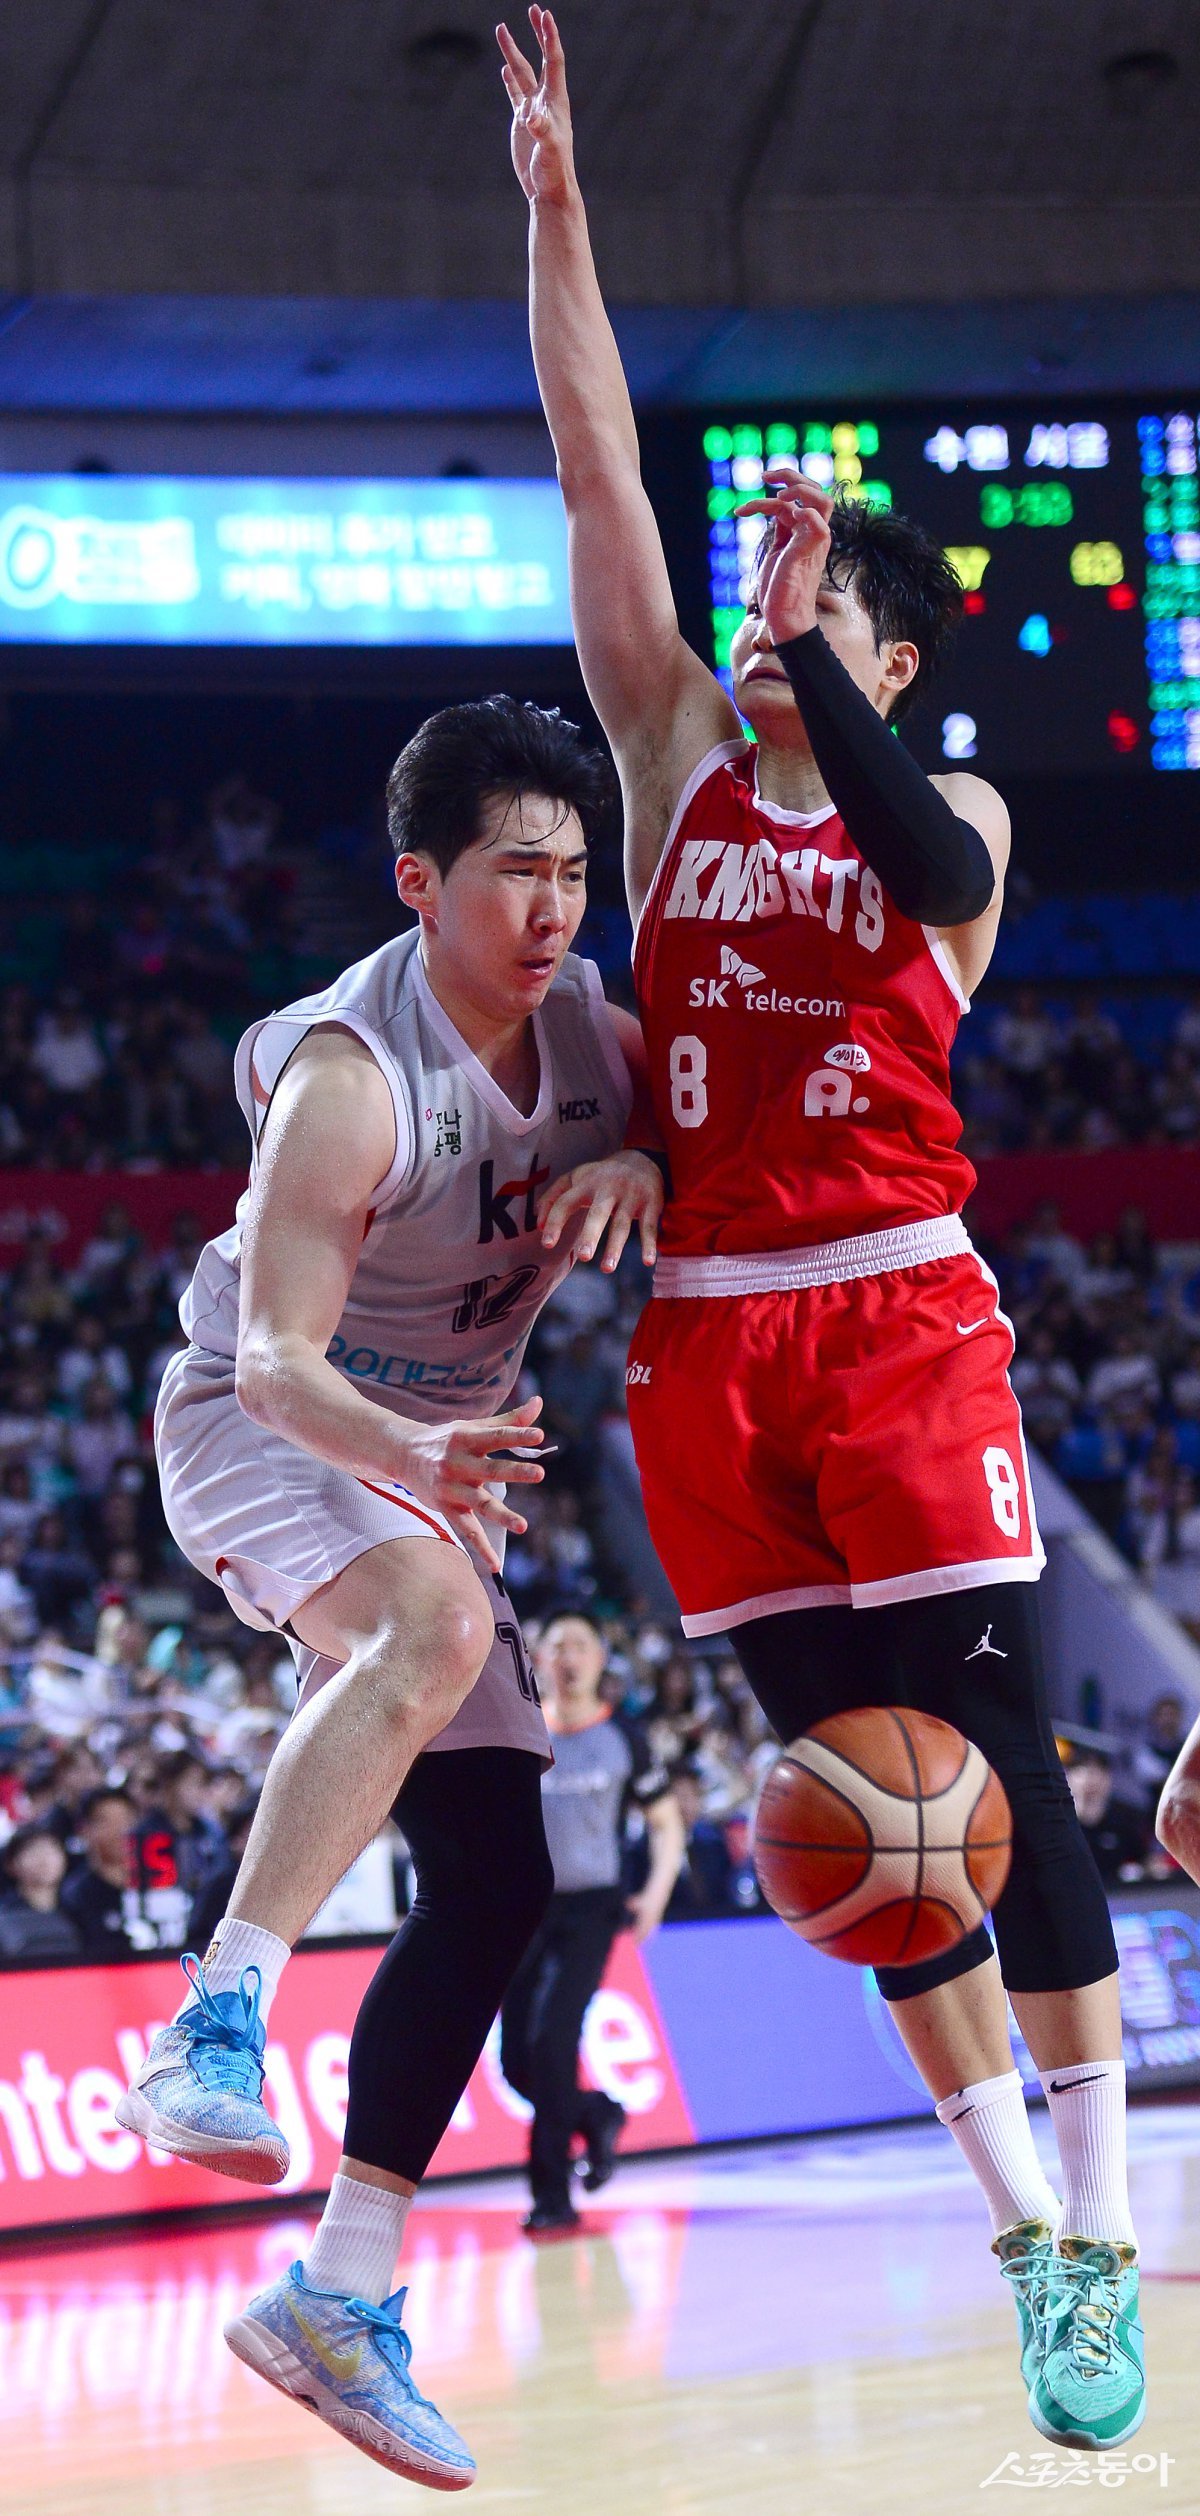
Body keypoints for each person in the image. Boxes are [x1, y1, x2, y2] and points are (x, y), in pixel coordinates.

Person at [499, 7, 1144, 2454]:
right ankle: (1021, 2230)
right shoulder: (671, 762)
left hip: (898, 1327)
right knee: (857, 1819)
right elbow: (593, 465)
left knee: (1004, 1783)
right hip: (707, 1353)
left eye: (817, 613)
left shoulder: (952, 808)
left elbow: (927, 853)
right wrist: (561, 222)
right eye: (767, 608)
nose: (769, 631)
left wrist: (809, 657)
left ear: (886, 656)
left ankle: (1108, 2225)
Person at [116, 694, 663, 2488]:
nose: (553, 905)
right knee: (431, 1624)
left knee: (500, 1872)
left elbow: (720, 1153)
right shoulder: (352, 1077)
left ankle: (340, 2296)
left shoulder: (598, 1039)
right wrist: (415, 1452)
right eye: (515, 871)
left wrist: (648, 1159)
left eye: (573, 871)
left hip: (426, 1460)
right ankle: (215, 2019)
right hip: (268, 1415)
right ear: (420, 883)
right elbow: (280, 1358)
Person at [499, 1608, 683, 2233]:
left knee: (553, 2042)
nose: (569, 1657)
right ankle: (595, 2115)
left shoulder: (624, 1737)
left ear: (601, 1660)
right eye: (558, 1646)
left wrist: (655, 1894)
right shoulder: (520, 1731)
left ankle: (552, 2196)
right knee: (516, 2062)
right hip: (525, 1908)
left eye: (581, 1645)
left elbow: (666, 1823)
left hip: (593, 1908)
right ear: (538, 1658)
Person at [0, 1821, 82, 1961]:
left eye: (51, 1849)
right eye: (33, 1851)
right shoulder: (5, 1916)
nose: (44, 1859)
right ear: (12, 1864)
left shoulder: (78, 1910)